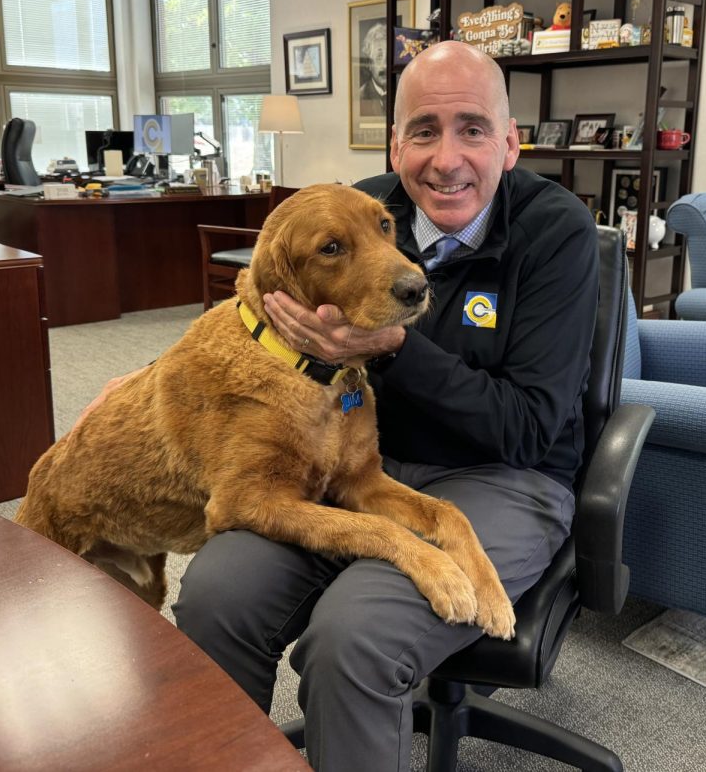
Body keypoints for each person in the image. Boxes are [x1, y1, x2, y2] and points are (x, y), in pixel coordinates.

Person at [171, 40, 600, 771]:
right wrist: (154, 379)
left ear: (510, 142)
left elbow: (528, 429)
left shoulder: (555, 233)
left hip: (504, 478)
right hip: (350, 466)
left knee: (353, 640)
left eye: (471, 128)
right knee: (216, 594)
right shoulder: (362, 212)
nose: (446, 158)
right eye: (424, 131)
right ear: (396, 144)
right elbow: (252, 320)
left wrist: (389, 346)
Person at [358, 20, 389, 112]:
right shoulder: (361, 96)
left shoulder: (402, 94)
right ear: (369, 63)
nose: (385, 66)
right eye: (379, 57)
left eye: (388, 58)